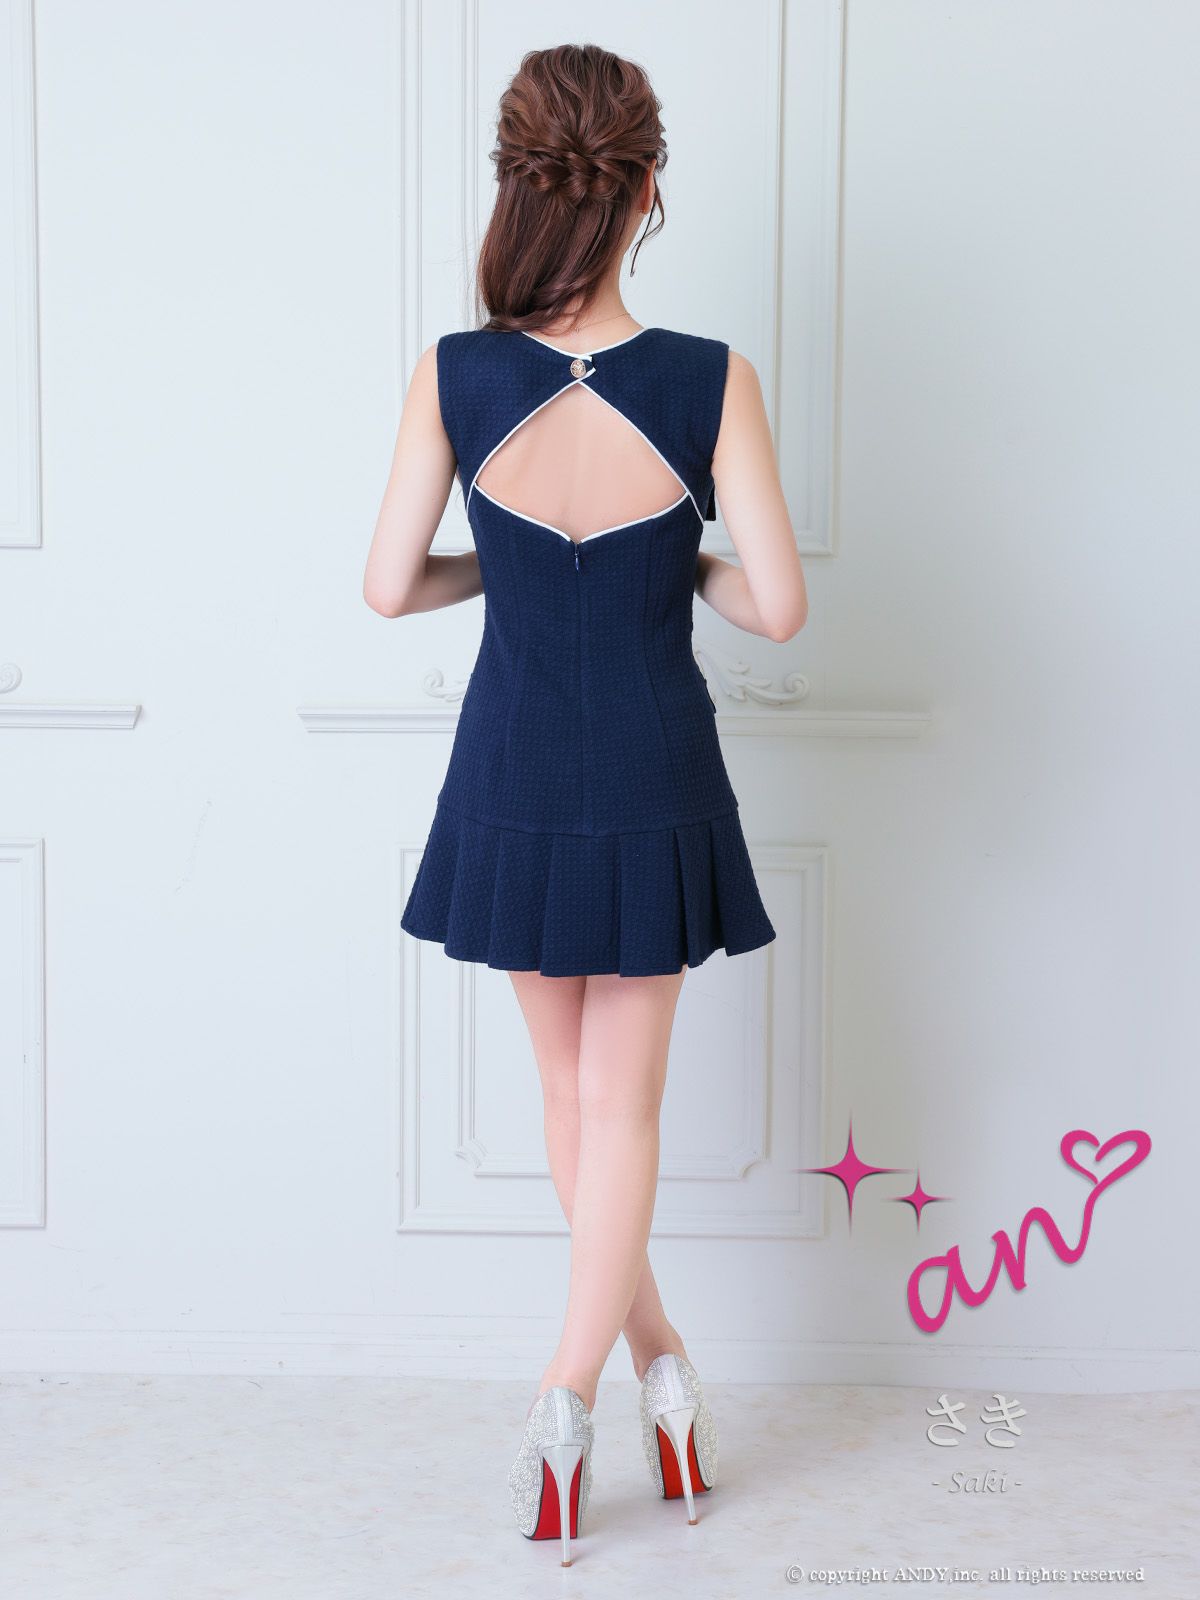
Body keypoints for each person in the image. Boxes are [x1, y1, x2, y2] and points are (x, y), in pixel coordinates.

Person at [362, 42, 807, 1564]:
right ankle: (638, 1374)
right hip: (652, 765)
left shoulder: (456, 373)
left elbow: (387, 586)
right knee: (621, 1108)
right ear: (647, 189)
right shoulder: (709, 379)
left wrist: (508, 565)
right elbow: (779, 608)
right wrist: (673, 556)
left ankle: (584, 1390)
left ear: (520, 183)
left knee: (568, 1101)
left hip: (512, 762)